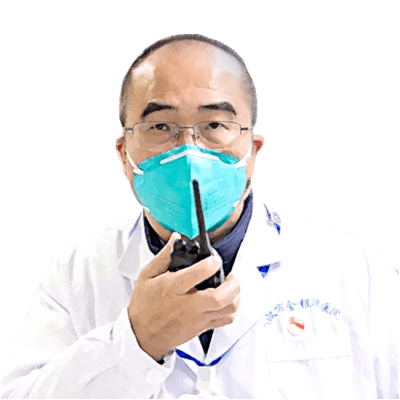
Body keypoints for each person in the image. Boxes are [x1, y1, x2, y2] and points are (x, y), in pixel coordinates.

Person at [1, 34, 398, 399]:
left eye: (214, 124)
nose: (189, 150)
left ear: (253, 149)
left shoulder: (356, 271)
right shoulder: (78, 274)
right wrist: (138, 339)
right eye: (161, 125)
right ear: (124, 154)